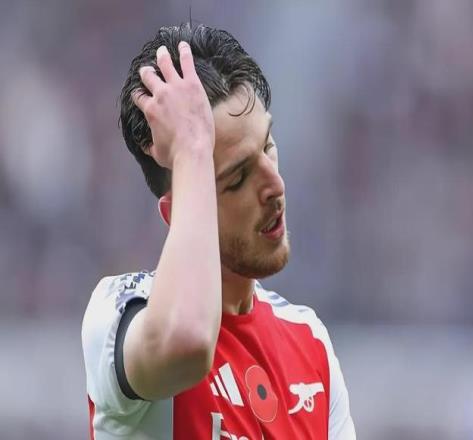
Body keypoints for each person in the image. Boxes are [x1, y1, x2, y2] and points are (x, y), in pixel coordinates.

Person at [82, 23, 356, 440]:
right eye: (237, 178)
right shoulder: (120, 314)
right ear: (179, 209)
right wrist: (192, 147)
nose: (275, 185)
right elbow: (188, 341)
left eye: (268, 146)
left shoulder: (309, 340)